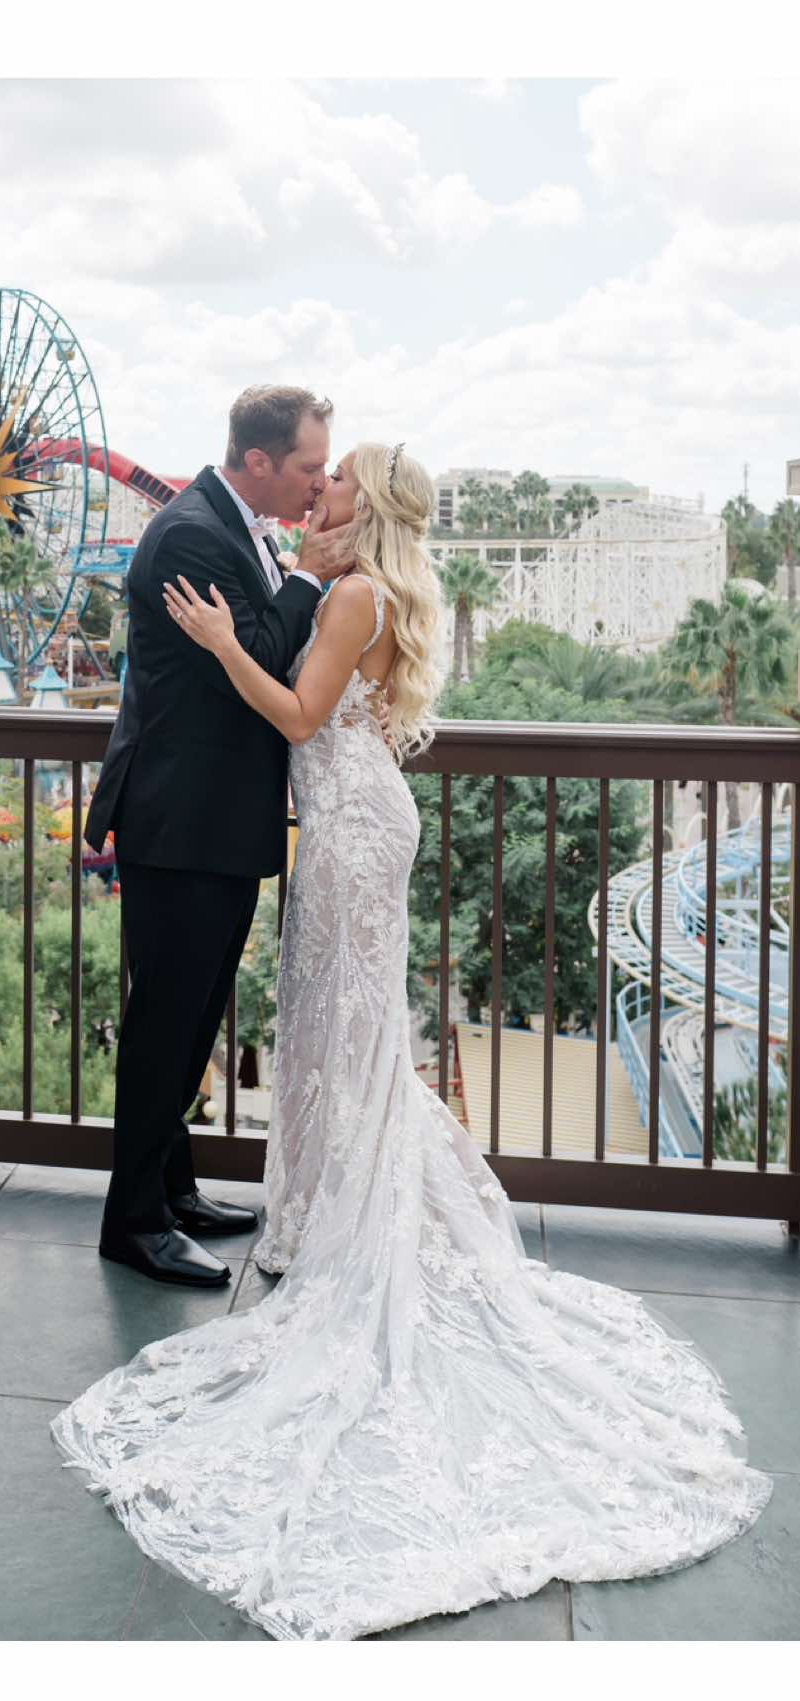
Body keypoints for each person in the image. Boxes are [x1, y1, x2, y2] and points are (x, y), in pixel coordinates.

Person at [52, 442, 772, 1641]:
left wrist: (225, 641)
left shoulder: (352, 596)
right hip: (351, 823)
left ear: (364, 509)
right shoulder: (364, 588)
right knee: (346, 1034)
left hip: (344, 835)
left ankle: (345, 1218)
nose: (316, 491)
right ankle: (334, 1205)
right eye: (314, 477)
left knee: (342, 1033)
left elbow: (295, 708)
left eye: (334, 485)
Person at [83, 385, 352, 1287]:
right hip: (181, 818)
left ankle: (175, 1187)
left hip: (209, 817)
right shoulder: (193, 535)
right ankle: (134, 1222)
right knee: (167, 1020)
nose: (319, 482)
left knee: (193, 1015)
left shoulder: (231, 525)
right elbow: (267, 654)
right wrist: (311, 576)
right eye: (310, 465)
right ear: (260, 461)